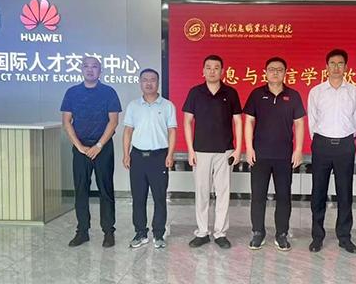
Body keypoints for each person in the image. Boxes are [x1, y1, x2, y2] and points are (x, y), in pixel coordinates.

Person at [244, 57, 306, 251]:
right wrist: (249, 147)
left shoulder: (293, 96)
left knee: (284, 196)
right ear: (265, 72)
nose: (275, 73)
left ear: (285, 73)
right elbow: (249, 121)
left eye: (279, 70)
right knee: (258, 196)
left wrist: (298, 149)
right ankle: (258, 233)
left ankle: (281, 234)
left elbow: (299, 123)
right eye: (271, 69)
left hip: (284, 156)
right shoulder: (256, 94)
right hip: (260, 155)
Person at [183, 55, 243, 249]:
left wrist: (238, 149)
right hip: (200, 150)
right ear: (203, 71)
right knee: (202, 192)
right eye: (208, 67)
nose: (212, 71)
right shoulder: (195, 92)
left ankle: (220, 233)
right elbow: (187, 121)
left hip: (225, 150)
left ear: (222, 71)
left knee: (223, 193)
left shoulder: (230, 93)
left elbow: (238, 121)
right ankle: (202, 232)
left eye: (216, 67)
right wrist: (190, 150)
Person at [61, 56, 122, 248]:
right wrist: (80, 147)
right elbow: (66, 122)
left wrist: (99, 145)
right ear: (81, 70)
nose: (90, 70)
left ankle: (109, 232)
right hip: (81, 148)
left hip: (103, 148)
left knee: (106, 189)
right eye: (86, 66)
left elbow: (113, 122)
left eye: (94, 66)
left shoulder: (109, 92)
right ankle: (82, 231)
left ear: (100, 70)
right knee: (81, 190)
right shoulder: (72, 92)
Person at [307, 49, 356, 253]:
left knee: (345, 193)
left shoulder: (353, 91)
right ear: (326, 66)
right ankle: (317, 237)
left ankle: (344, 237)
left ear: (346, 67)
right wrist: (320, 140)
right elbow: (312, 120)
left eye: (340, 63)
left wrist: (346, 138)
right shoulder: (317, 91)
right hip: (321, 145)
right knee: (318, 192)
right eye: (332, 63)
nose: (336, 67)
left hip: (345, 145)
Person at [122, 68, 177, 249]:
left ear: (158, 83)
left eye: (152, 79)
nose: (149, 83)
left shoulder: (167, 105)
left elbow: (172, 131)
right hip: (137, 156)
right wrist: (126, 154)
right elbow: (128, 131)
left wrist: (170, 155)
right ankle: (140, 233)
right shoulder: (133, 106)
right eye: (145, 79)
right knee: (138, 197)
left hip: (159, 156)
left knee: (159, 197)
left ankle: (159, 234)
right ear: (140, 83)